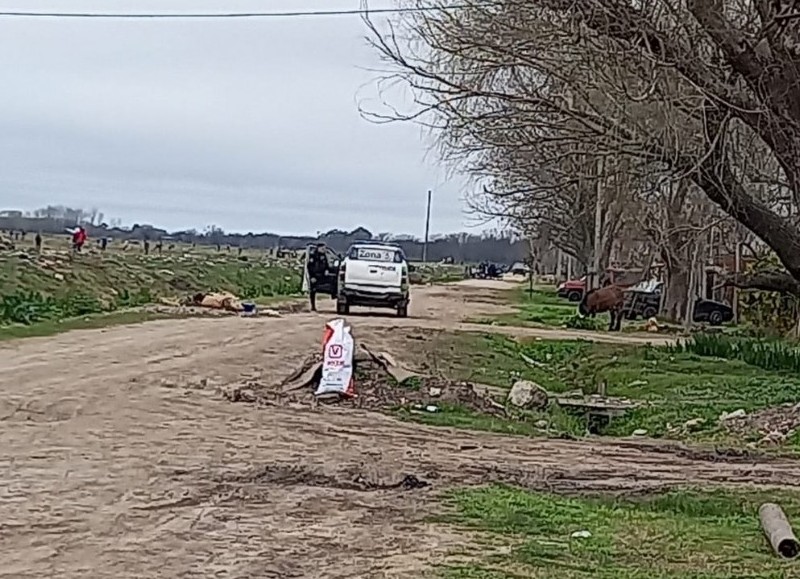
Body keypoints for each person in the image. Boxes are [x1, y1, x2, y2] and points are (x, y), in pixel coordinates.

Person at [306, 243, 329, 312]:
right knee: (313, 291)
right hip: (314, 276)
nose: (324, 250)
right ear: (318, 248)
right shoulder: (313, 255)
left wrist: (327, 270)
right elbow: (309, 267)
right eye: (323, 249)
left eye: (324, 249)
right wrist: (312, 276)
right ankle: (313, 306)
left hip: (322, 275)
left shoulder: (324, 256)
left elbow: (326, 264)